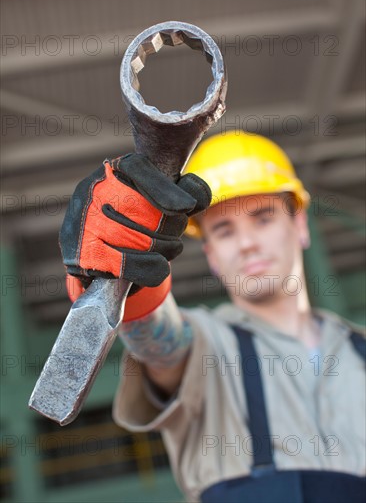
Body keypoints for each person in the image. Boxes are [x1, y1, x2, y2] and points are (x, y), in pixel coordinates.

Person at [61, 131, 365, 503]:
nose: (247, 242)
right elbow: (160, 342)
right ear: (211, 254)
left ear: (300, 225)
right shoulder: (206, 346)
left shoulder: (360, 349)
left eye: (263, 219)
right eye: (224, 230)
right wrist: (126, 281)